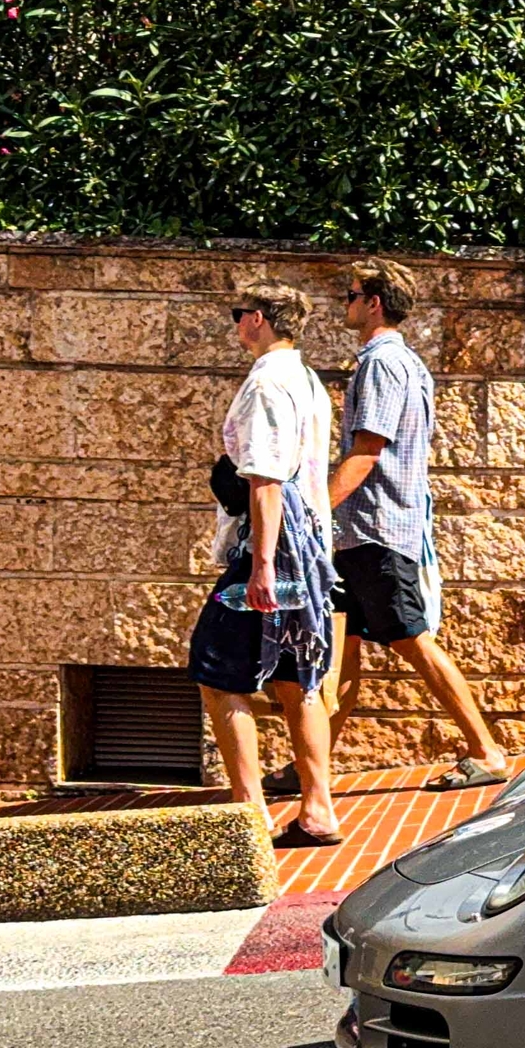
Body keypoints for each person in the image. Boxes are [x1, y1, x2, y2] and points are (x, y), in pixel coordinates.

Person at [327, 258, 510, 790]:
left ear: (374, 302)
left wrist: (317, 509)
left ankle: (486, 750)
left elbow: (368, 450)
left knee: (413, 639)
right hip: (364, 529)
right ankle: (314, 768)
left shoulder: (383, 364)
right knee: (344, 649)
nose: (346, 301)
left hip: (376, 528)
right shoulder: (403, 362)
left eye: (351, 293)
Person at [188, 279, 341, 844]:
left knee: (214, 668)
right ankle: (318, 808)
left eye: (239, 313)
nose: (235, 323)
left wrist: (260, 567)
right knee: (294, 673)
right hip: (309, 546)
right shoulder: (306, 379)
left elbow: (267, 482)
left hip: (271, 547)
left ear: (260, 319)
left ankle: (245, 813)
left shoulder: (266, 384)